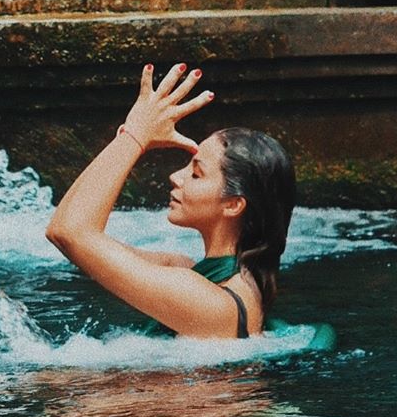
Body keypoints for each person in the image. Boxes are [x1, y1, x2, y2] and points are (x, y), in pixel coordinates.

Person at [45, 63, 295, 338]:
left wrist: (137, 136)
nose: (176, 176)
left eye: (196, 174)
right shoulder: (191, 272)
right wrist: (129, 133)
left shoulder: (209, 301)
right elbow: (63, 233)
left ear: (233, 204)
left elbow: (71, 232)